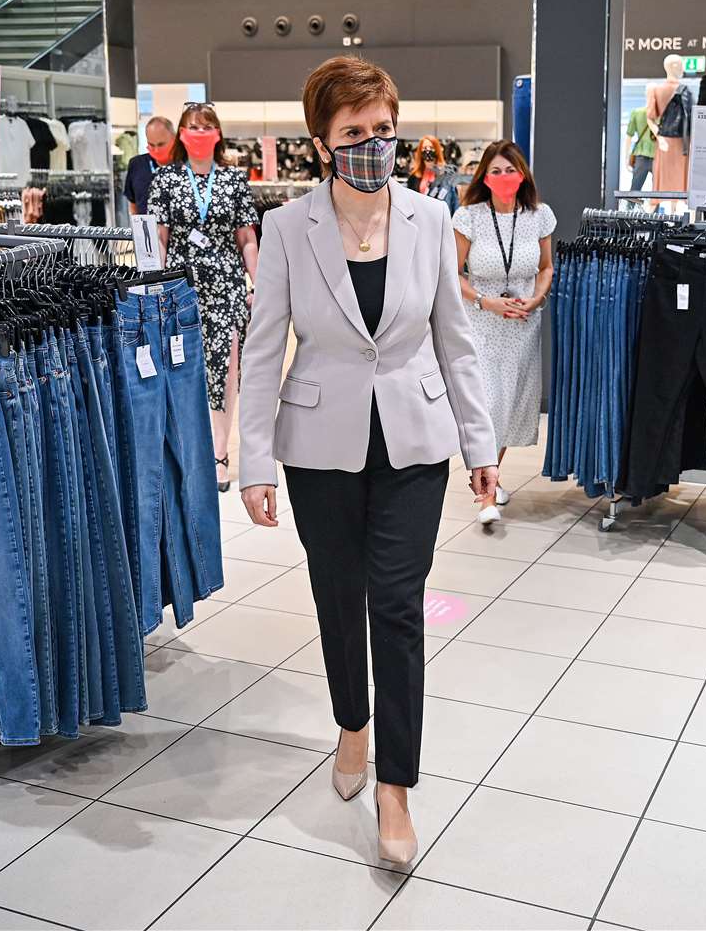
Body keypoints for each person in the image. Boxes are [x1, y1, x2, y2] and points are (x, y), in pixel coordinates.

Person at [237, 56, 499, 865]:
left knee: (396, 604)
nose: (373, 144)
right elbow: (261, 350)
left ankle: (396, 787)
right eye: (354, 132)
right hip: (320, 447)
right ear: (321, 142)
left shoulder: (429, 218)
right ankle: (351, 723)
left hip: (416, 443)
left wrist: (481, 443)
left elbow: (456, 341)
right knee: (336, 594)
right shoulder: (287, 229)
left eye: (383, 129)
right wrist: (253, 461)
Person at [145, 103, 259, 492]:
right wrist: (153, 281)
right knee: (184, 368)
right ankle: (187, 451)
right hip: (181, 287)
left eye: (206, 126)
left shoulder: (234, 180)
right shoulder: (165, 179)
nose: (199, 132)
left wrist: (257, 283)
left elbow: (246, 238)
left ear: (217, 133)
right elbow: (159, 236)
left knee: (225, 370)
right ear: (181, 133)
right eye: (192, 126)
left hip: (226, 287)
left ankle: (220, 453)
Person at [452, 139, 556, 524]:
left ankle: (490, 479)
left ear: (522, 173)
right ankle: (486, 497)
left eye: (510, 169)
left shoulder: (539, 216)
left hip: (523, 326)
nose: (503, 177)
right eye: (495, 170)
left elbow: (545, 267)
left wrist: (535, 299)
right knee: (489, 404)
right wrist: (485, 301)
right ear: (484, 176)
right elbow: (452, 272)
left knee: (511, 405)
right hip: (482, 323)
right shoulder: (469, 217)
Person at [123, 115, 175, 216]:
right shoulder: (137, 165)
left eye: (161, 144)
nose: (156, 150)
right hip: (146, 228)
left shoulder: (187, 166)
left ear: (174, 140)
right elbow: (133, 205)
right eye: (151, 145)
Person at [406, 134, 459, 211]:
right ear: (420, 151)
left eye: (431, 147)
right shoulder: (413, 177)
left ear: (437, 150)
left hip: (440, 217)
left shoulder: (447, 175)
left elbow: (453, 203)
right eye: (424, 148)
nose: (428, 150)